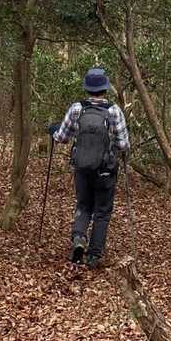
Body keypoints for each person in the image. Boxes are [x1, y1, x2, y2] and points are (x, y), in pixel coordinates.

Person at [48, 67, 130, 268]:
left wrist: (53, 130)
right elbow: (123, 144)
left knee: (83, 205)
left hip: (82, 168)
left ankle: (78, 238)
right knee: (102, 212)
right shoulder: (114, 111)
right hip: (106, 171)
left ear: (87, 88)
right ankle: (94, 256)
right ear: (105, 88)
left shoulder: (77, 109)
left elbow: (62, 137)